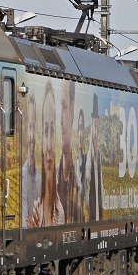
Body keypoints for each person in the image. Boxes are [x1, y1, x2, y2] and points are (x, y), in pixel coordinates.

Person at [31, 83, 64, 227]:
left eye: (52, 131)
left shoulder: (61, 213)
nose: (49, 147)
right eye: (45, 131)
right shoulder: (34, 211)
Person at [56, 81, 80, 223]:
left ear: (71, 111)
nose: (60, 120)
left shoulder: (81, 181)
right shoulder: (51, 178)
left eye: (64, 106)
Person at [83, 94, 104, 221]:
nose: (95, 132)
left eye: (97, 127)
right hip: (90, 208)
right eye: (93, 127)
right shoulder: (87, 156)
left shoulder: (99, 156)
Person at [21, 94, 41, 227]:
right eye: (29, 127)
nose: (32, 135)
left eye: (34, 127)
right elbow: (24, 218)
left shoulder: (41, 175)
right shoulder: (23, 174)